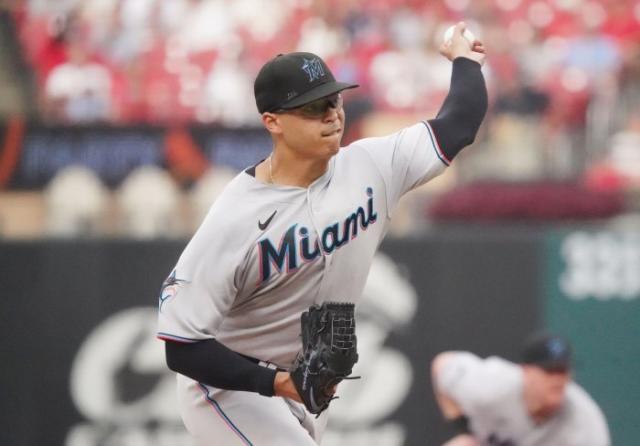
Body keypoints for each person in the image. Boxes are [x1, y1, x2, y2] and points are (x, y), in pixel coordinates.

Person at [157, 22, 487, 446]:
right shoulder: (234, 218)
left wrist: (465, 60)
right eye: (313, 107)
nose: (331, 113)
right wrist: (277, 382)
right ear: (272, 121)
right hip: (230, 387)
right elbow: (181, 347)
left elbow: (458, 124)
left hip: (305, 385)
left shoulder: (371, 165)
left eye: (334, 100)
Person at [431, 332, 611, 446]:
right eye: (549, 371)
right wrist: (464, 430)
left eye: (562, 371)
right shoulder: (492, 386)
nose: (557, 379)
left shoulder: (584, 421)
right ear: (526, 371)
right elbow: (441, 364)